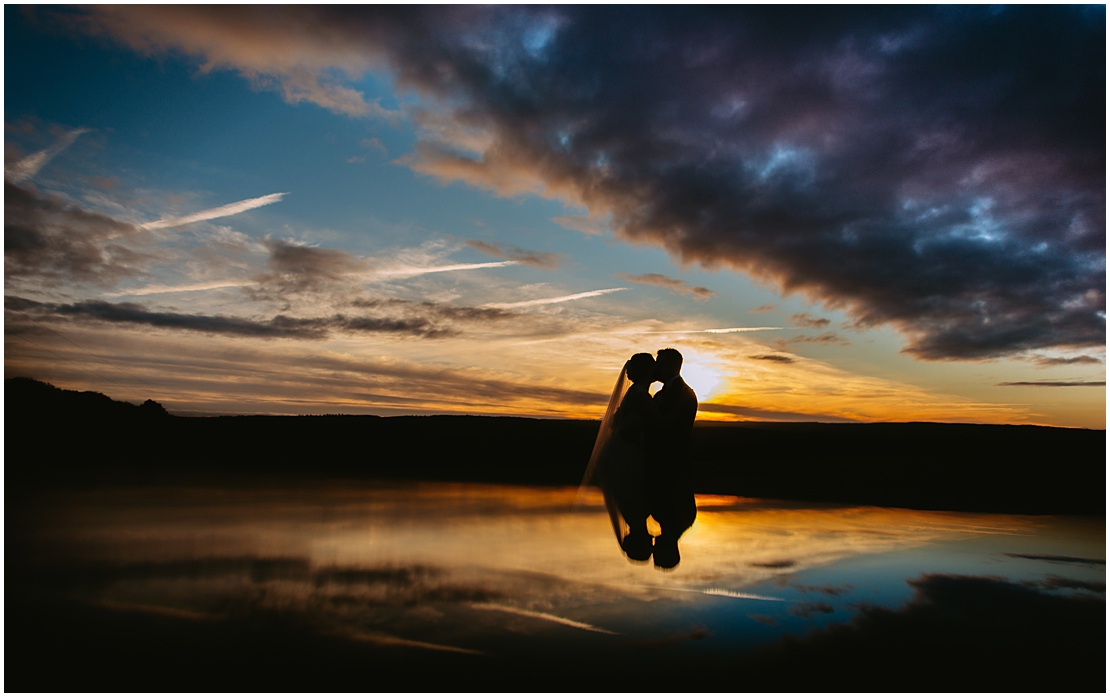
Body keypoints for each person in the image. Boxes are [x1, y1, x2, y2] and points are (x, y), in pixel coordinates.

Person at [644, 347, 698, 569]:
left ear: (673, 366)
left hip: (673, 468)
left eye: (661, 362)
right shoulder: (663, 393)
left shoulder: (685, 394)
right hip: (665, 468)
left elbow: (666, 428)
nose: (657, 367)